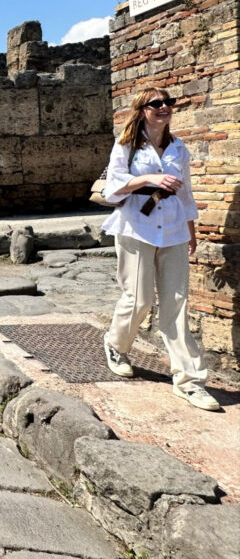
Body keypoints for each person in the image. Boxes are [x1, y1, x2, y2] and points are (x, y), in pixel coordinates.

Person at [100, 86, 219, 411]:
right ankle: (115, 344)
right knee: (138, 300)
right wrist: (147, 179)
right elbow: (112, 189)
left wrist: (191, 232)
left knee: (176, 305)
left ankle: (190, 382)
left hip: (174, 229)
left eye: (169, 102)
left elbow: (186, 194)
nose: (164, 107)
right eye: (157, 103)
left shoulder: (178, 148)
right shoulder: (127, 144)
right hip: (135, 227)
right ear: (142, 110)